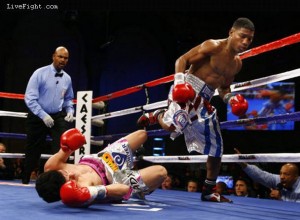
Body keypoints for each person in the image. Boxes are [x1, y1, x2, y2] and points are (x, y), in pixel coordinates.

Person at [137, 17, 255, 202]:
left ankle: (208, 190)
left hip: (206, 99)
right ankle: (158, 115)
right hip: (188, 87)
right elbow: (182, 59)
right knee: (174, 127)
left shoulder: (237, 64)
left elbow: (223, 89)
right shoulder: (213, 46)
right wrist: (179, 83)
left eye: (249, 39)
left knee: (217, 148)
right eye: (242, 36)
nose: (245, 42)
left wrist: (232, 99)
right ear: (231, 32)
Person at [35, 128, 167, 207]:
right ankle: (141, 190)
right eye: (66, 179)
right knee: (161, 172)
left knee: (142, 134)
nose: (67, 173)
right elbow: (123, 188)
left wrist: (69, 146)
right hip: (116, 179)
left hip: (104, 159)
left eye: (63, 172)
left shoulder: (52, 166)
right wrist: (97, 191)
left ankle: (135, 170)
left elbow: (66, 150)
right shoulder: (80, 194)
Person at [23, 46, 75, 184]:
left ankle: (58, 179)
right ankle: (25, 179)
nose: (63, 60)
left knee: (63, 147)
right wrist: (43, 115)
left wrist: (70, 110)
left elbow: (68, 98)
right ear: (53, 56)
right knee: (33, 148)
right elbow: (30, 98)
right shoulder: (39, 73)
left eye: (66, 58)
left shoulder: (67, 79)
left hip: (57, 115)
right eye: (60, 57)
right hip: (37, 115)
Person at [234, 148, 300, 202]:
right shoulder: (278, 180)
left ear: (295, 176)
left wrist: (280, 199)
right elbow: (260, 175)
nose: (282, 177)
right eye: (281, 173)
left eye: (286, 174)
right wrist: (242, 163)